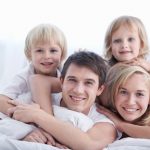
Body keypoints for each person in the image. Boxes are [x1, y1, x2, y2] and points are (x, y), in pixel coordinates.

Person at [8, 51, 119, 150]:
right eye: (72, 80)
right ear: (61, 81)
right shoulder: (42, 98)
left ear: (99, 89)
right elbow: (37, 80)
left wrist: (39, 116)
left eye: (88, 83)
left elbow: (89, 144)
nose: (78, 90)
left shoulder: (103, 122)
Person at [0, 23, 67, 115]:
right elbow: (2, 99)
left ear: (62, 54)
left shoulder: (65, 72)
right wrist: (23, 113)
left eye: (53, 51)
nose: (47, 56)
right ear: (29, 54)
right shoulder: (24, 76)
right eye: (39, 51)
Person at [97, 63, 150, 139]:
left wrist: (121, 125)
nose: (130, 102)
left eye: (139, 94)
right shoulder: (104, 117)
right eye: (123, 92)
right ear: (114, 94)